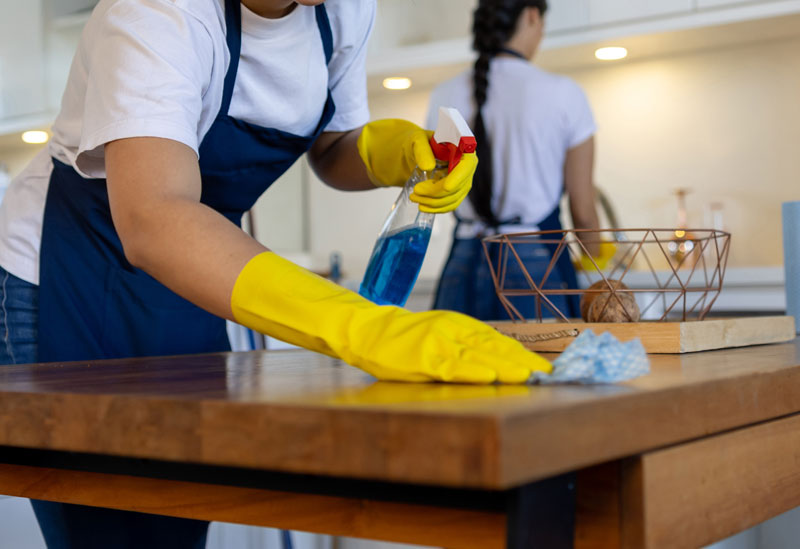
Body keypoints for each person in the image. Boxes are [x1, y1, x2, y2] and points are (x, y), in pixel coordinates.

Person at [0, 0, 553, 546]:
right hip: (69, 272)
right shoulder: (159, 14)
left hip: (191, 274)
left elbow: (333, 147)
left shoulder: (343, 12)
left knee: (180, 504)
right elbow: (153, 217)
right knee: (107, 522)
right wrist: (363, 326)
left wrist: (400, 153)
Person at [427, 0, 608, 321]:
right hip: (535, 259)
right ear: (532, 15)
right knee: (544, 368)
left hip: (465, 257)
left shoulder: (444, 94)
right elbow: (583, 207)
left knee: (455, 366)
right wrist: (598, 263)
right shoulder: (564, 93)